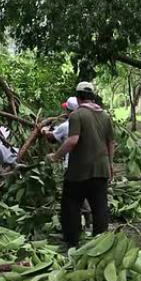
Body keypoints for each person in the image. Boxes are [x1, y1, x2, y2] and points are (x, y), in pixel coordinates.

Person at [49, 82, 114, 247]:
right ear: (93, 97)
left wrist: (55, 156)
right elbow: (110, 142)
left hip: (79, 170)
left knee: (70, 204)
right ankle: (100, 241)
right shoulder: (105, 116)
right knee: (99, 205)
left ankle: (72, 239)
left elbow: (72, 141)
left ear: (78, 98)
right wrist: (110, 164)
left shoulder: (77, 115)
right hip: (101, 168)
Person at [41, 97, 93, 229]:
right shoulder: (89, 123)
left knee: (73, 195)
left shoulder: (65, 126)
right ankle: (86, 219)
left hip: (72, 165)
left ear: (69, 111)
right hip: (88, 163)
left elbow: (51, 136)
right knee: (84, 191)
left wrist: (44, 131)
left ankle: (78, 223)